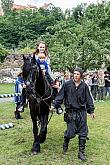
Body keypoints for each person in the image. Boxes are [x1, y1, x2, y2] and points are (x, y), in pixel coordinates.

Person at [53, 67, 95, 161]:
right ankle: (66, 140)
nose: (75, 75)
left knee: (83, 133)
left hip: (82, 112)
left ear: (81, 76)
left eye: (77, 74)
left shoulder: (84, 86)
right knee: (70, 133)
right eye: (74, 74)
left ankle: (81, 153)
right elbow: (60, 96)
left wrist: (91, 111)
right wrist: (54, 105)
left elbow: (89, 99)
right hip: (70, 112)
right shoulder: (67, 84)